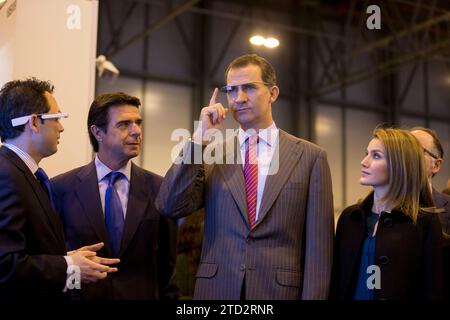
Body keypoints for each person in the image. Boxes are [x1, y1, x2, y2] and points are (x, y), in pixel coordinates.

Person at [156, 54, 334, 300]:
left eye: (249, 88)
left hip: (278, 293)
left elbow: (319, 251)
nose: (238, 99)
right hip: (217, 291)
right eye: (231, 90)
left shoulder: (310, 158)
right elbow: (169, 204)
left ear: (273, 93)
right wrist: (199, 137)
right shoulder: (211, 153)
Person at [0, 78, 119, 300]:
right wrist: (68, 265)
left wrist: (70, 260)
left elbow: (28, 252)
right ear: (34, 123)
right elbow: (5, 265)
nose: (62, 127)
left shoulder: (27, 175)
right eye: (57, 118)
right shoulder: (6, 175)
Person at [51, 92, 178, 300]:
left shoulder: (159, 188)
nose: (136, 131)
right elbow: (58, 260)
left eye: (138, 123)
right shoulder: (61, 188)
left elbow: (167, 267)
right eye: (124, 124)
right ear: (98, 132)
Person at [332, 127, 442, 300]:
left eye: (376, 156)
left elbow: (431, 290)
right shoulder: (350, 218)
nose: (364, 161)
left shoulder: (424, 223)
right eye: (366, 153)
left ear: (400, 164)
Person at [410, 127, 450, 299]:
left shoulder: (448, 209)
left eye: (415, 150)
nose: (406, 156)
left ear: (436, 164)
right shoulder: (376, 210)